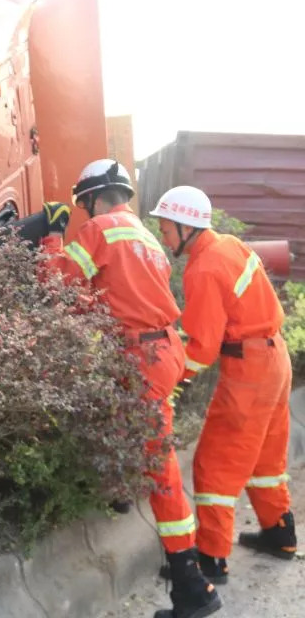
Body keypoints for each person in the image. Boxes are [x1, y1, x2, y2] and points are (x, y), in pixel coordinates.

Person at [26, 159, 221, 618]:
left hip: (142, 356)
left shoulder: (100, 229)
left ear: (92, 199)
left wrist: (52, 237)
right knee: (132, 434)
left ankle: (193, 587)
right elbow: (109, 296)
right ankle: (120, 489)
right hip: (161, 351)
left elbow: (58, 285)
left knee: (161, 468)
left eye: (82, 206)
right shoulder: (146, 235)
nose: (84, 213)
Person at [150, 185, 296, 585]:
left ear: (185, 227)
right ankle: (280, 533)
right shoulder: (228, 245)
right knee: (265, 456)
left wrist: (167, 377)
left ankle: (212, 559)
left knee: (215, 463)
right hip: (275, 356)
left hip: (249, 369)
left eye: (165, 228)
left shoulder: (204, 268)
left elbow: (201, 348)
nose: (163, 237)